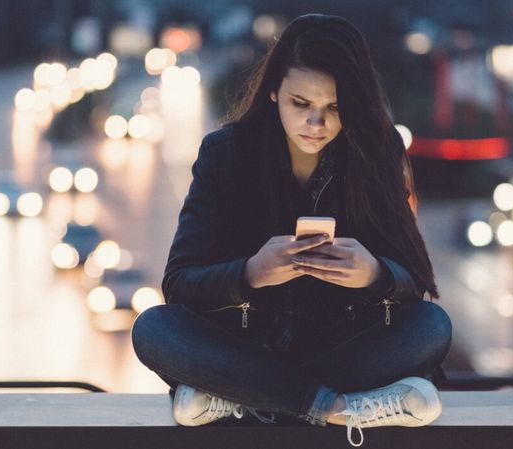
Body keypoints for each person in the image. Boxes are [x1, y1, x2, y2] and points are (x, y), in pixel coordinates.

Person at [131, 14, 452, 447]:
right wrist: (252, 274)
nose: (315, 124)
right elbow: (181, 284)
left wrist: (375, 275)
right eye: (300, 104)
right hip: (247, 345)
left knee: (432, 327)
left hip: (339, 346)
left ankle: (242, 400)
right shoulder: (226, 154)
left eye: (334, 108)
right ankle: (337, 409)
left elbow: (414, 281)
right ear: (273, 92)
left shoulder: (376, 151)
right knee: (153, 329)